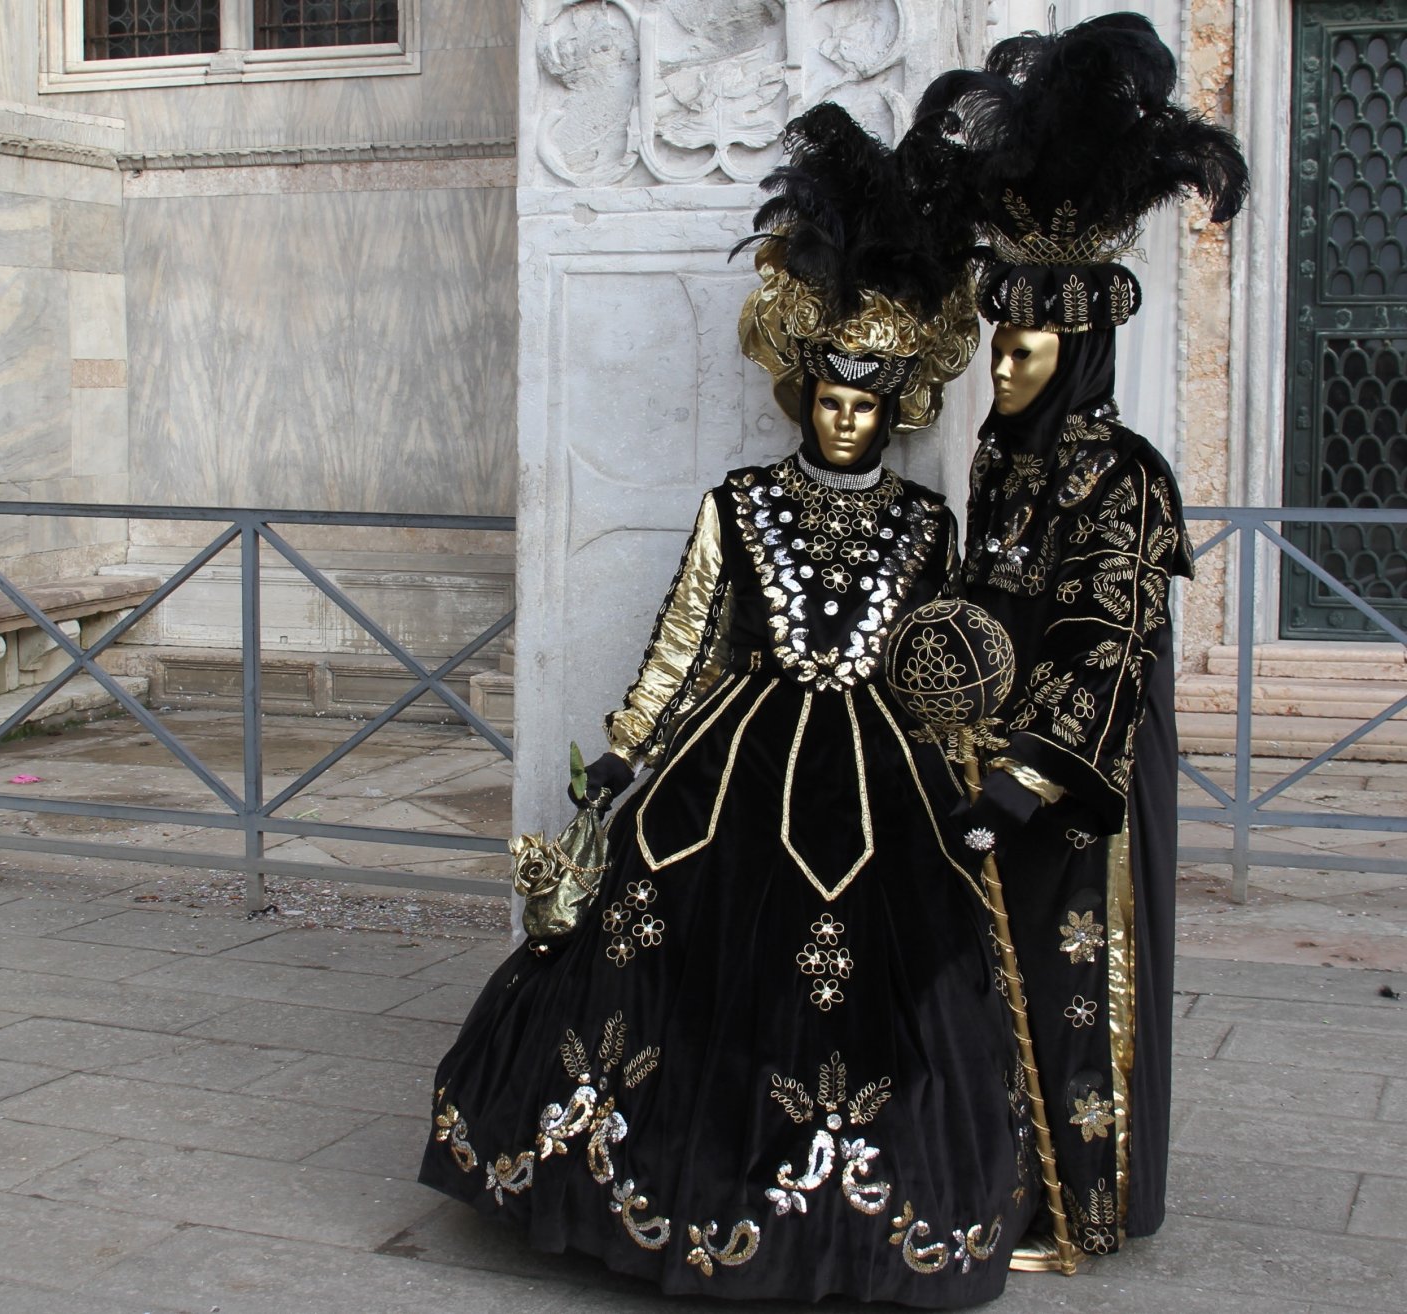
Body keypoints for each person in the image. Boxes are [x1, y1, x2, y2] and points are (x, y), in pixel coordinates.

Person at [420, 104, 1037, 1307]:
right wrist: (624, 749)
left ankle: (846, 1204)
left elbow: (937, 656)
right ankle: (660, 1186)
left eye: (869, 403)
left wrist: (981, 755)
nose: (846, 417)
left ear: (898, 405)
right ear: (801, 393)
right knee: (668, 946)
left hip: (881, 774)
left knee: (889, 976)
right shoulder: (740, 502)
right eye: (829, 398)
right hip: (734, 759)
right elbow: (687, 638)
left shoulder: (925, 522)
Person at [916, 12, 1247, 1261]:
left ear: (1081, 349)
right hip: (986, 756)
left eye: (1030, 346)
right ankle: (994, 1180)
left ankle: (1078, 1205)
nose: (1004, 368)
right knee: (984, 987)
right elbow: (979, 590)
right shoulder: (1000, 459)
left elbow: (1107, 638)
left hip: (1076, 776)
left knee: (1067, 981)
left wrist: (1022, 776)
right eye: (1000, 344)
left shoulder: (1131, 477)